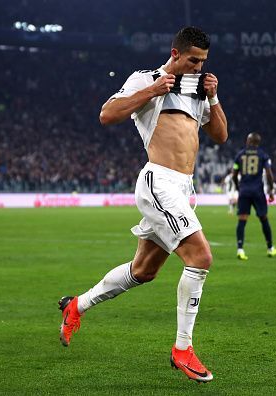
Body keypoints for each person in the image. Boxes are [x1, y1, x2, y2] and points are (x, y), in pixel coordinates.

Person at [58, 27, 227, 383]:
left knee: (144, 271)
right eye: (193, 60)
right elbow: (107, 114)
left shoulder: (197, 91)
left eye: (203, 61)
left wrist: (213, 98)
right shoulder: (146, 79)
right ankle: (183, 349)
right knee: (201, 258)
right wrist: (153, 90)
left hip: (183, 188)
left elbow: (221, 135)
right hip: (158, 181)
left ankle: (77, 305)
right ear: (176, 53)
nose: (199, 67)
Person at [232, 133, 276, 260]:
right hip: (258, 191)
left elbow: (233, 174)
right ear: (258, 142)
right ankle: (270, 248)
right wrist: (271, 190)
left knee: (242, 220)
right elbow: (269, 174)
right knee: (264, 219)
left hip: (244, 191)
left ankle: (240, 249)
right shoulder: (263, 155)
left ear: (248, 141)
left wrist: (238, 187)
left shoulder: (240, 155)